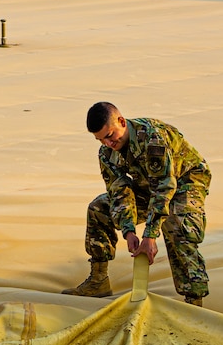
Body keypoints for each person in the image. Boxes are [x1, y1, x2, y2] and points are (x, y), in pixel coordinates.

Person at [63, 101, 211, 306]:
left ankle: (194, 297)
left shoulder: (152, 138)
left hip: (186, 179)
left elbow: (164, 187)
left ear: (122, 121)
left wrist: (150, 235)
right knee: (98, 209)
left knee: (177, 223)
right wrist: (129, 230)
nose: (107, 143)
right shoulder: (106, 152)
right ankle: (98, 280)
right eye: (100, 140)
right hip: (147, 182)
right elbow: (118, 191)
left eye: (109, 136)